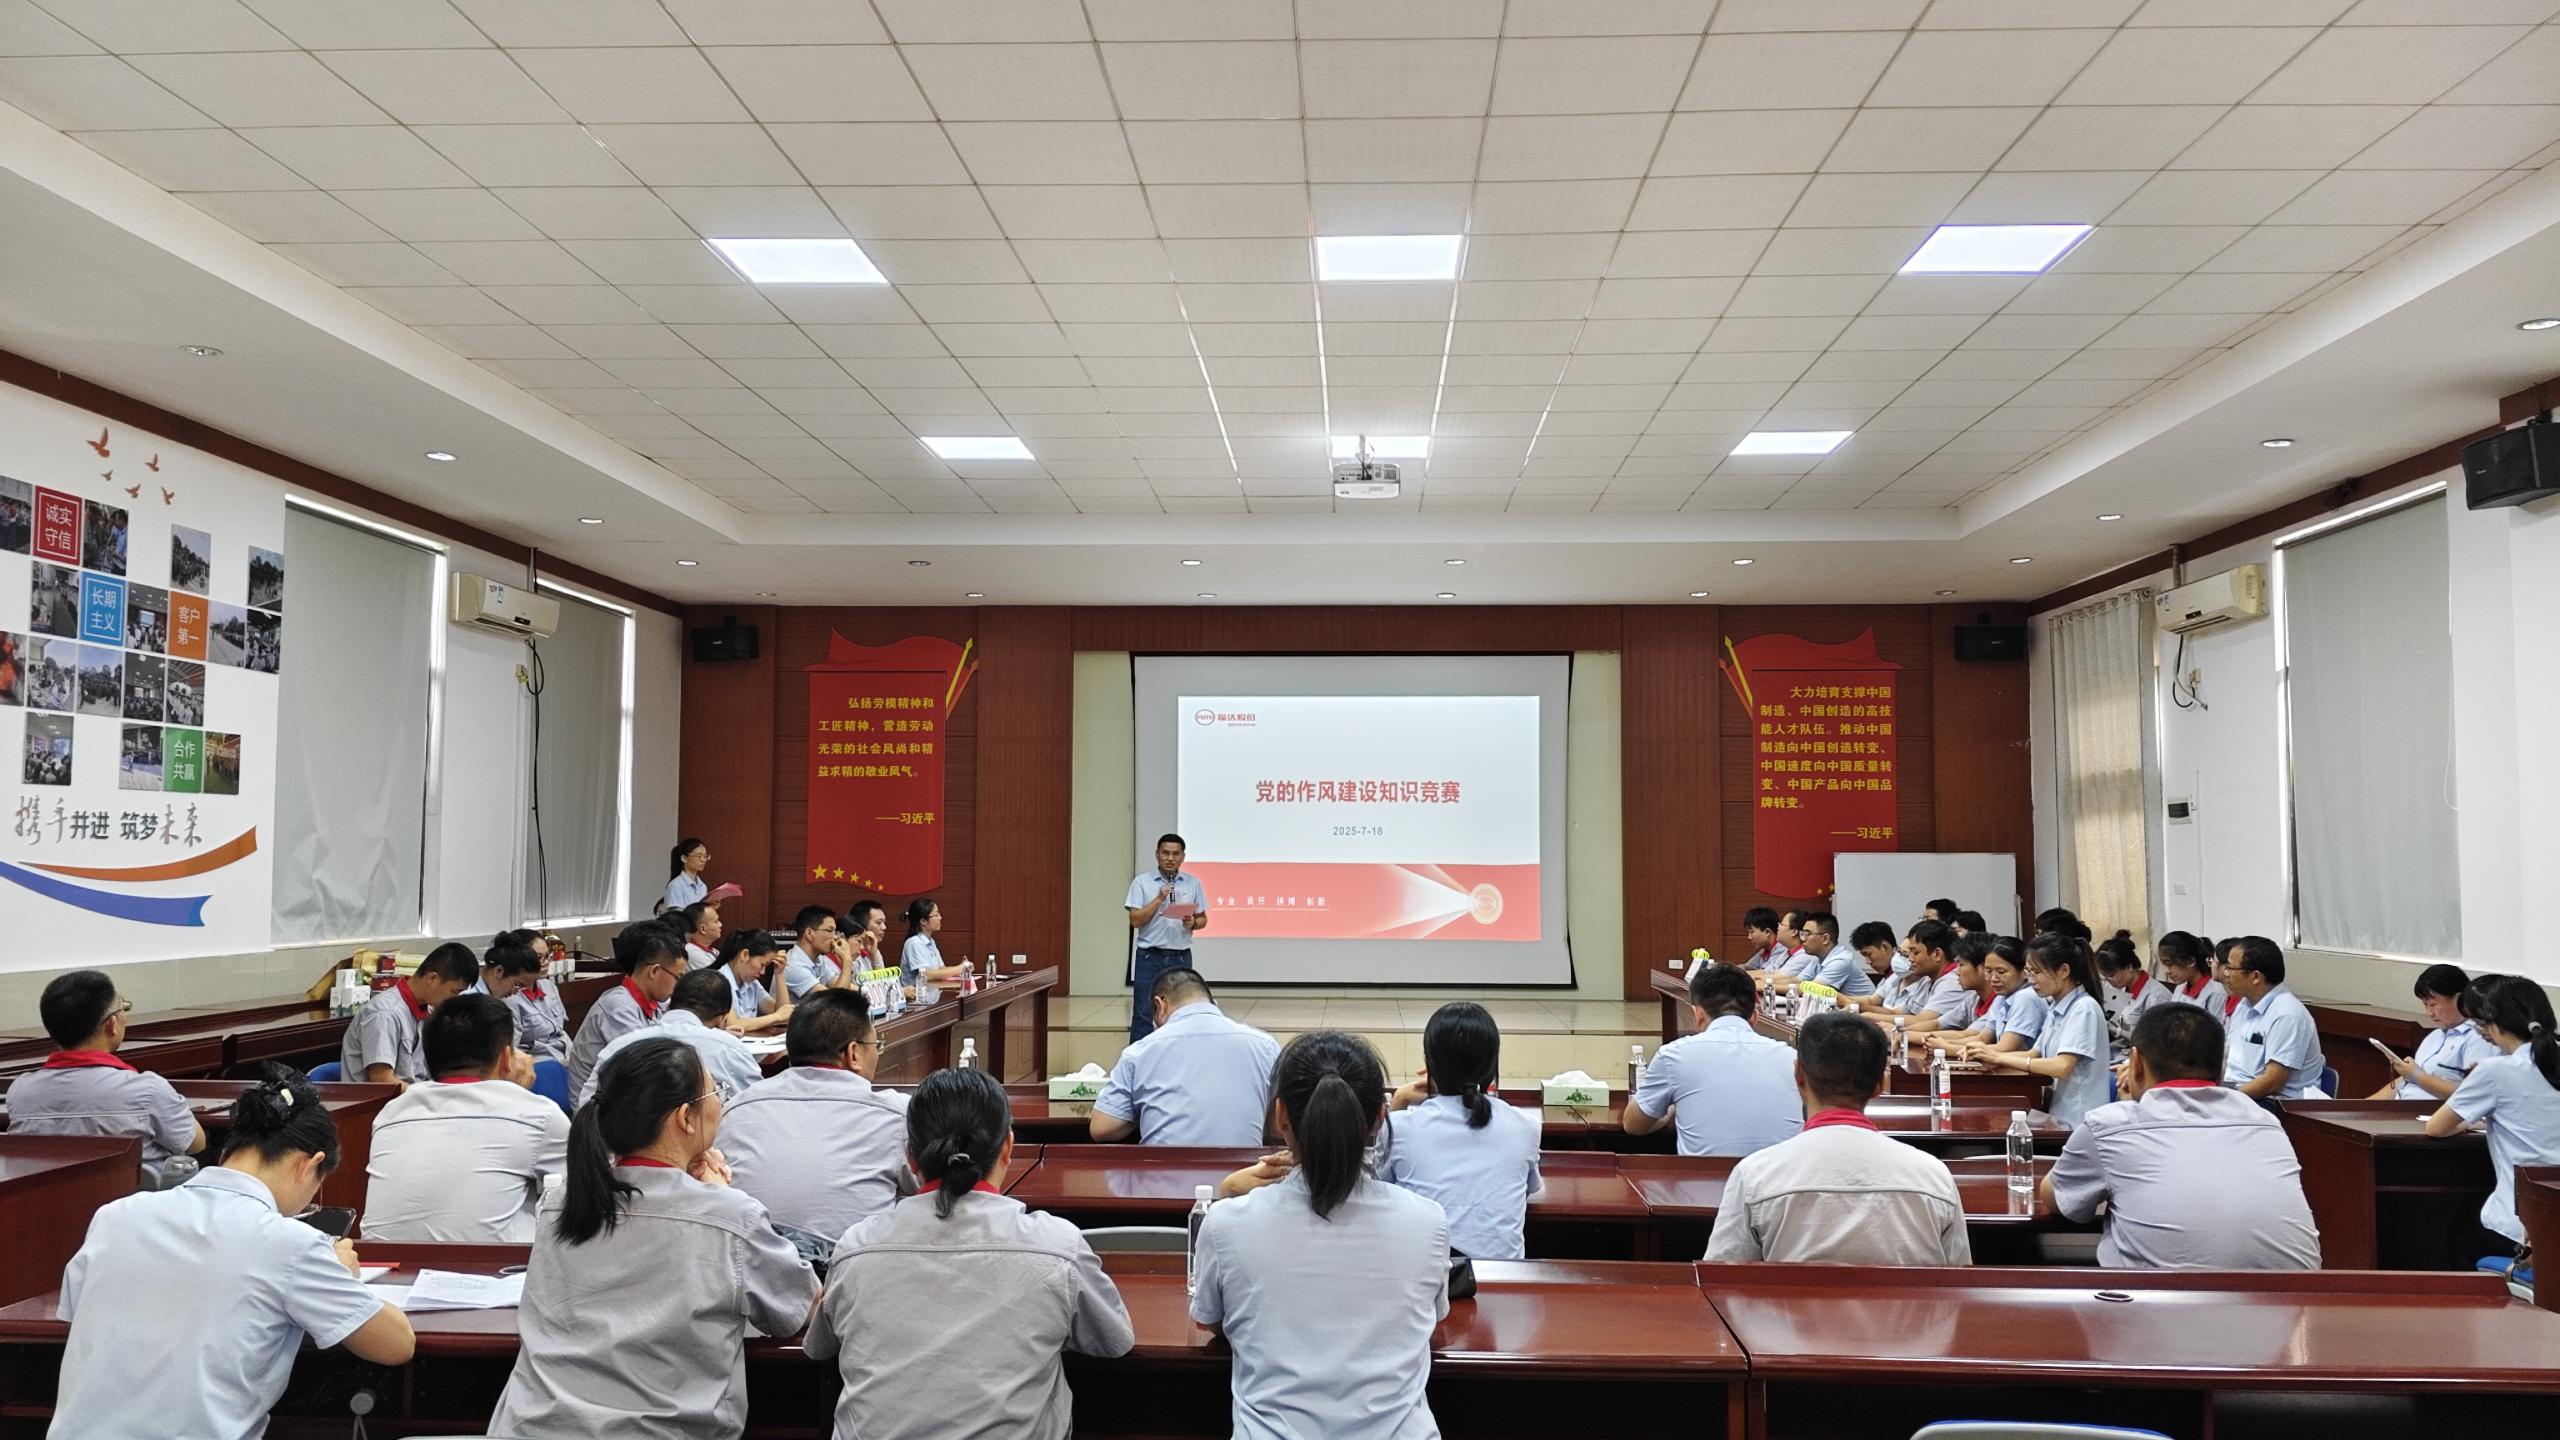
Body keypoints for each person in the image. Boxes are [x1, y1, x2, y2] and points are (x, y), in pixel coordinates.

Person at [51, 1066, 415, 1440]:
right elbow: (397, 1344)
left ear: (229, 1151)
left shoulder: (115, 1216)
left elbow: (79, 1318)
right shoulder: (291, 1243)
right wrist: (338, 1273)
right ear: (308, 1165)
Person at [490, 1038, 819, 1439]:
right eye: (715, 1092)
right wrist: (721, 1195)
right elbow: (801, 1305)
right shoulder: (729, 1216)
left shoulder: (560, 1204)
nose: (720, 1103)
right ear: (685, 1118)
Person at [806, 1068, 1133, 1440]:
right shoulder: (1057, 1247)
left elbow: (819, 1348)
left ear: (911, 1157)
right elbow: (1115, 1340)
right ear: (1008, 1147)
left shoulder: (855, 1248)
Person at [1193, 1031, 1450, 1440]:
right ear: (1379, 1119)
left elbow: (1211, 1320)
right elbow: (1432, 1318)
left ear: (1281, 1116)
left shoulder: (1226, 1223)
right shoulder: (1427, 1221)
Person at [2045, 1004, 2321, 1270]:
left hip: (2162, 1300)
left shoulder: (2109, 1125)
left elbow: (2056, 1198)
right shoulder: (2266, 1124)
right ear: (2222, 1067)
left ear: (2135, 1062)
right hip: (2298, 1298)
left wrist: (2126, 1107)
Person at [1703, 1012, 1970, 1266]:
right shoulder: (1934, 1177)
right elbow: (1959, 1279)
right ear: (1880, 1084)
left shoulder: (1754, 1175)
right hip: (1906, 1303)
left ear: (1798, 1075)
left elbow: (1721, 1276)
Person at [364, 994, 569, 1243]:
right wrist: (518, 1094)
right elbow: (579, 1204)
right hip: (493, 1266)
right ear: (507, 1058)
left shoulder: (390, 1114)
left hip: (384, 1264)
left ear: (427, 1061)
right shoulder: (539, 1115)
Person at [721, 991, 915, 1244]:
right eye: (875, 1045)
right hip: (846, 1264)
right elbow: (930, 1194)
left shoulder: (737, 1108)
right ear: (853, 1053)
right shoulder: (896, 1115)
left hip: (750, 1263)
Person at [1378, 1002, 1544, 1261]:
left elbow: (1376, 1188)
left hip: (1429, 1275)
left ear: (1429, 1063)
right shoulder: (1526, 1126)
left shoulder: (1401, 1127)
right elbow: (1529, 1188)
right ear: (1493, 1064)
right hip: (1504, 1277)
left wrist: (1399, 1100)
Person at [2425, 974, 2560, 1265]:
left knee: (2449, 1238)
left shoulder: (2494, 1070)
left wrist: (2473, 1118)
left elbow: (2436, 1127)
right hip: (2550, 1219)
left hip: (2521, 1227)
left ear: (2494, 1024)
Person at [9, 970, 205, 1164]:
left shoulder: (21, 1092)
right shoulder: (147, 1090)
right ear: (111, 1024)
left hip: (52, 1186)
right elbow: (195, 1143)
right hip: (133, 1186)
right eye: (123, 1008)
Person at [1625, 962, 1801, 1157]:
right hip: (1781, 1176)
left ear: (1698, 1015)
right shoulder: (1792, 1058)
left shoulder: (1674, 1055)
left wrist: (1672, 1110)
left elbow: (1633, 1124)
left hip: (1706, 1176)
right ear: (1754, 1017)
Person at [1091, 967, 1279, 1146]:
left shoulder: (1140, 1051)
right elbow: (1280, 1125)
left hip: (1166, 1168)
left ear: (1160, 1006)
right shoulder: (1265, 1046)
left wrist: (1143, 1108)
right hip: (1246, 1169)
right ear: (1214, 1004)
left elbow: (1101, 1128)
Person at [1975, 932, 2112, 1128]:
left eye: (2036, 972)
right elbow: (2033, 1054)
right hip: (2059, 1115)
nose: (2031, 980)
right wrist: (1989, 1058)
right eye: (2028, 972)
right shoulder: (2055, 1007)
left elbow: (2062, 1066)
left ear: (2064, 971)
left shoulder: (2084, 1008)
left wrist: (1999, 1057)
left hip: (2079, 1119)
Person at [579, 968, 766, 1109]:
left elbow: (586, 1107)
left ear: (670, 1005)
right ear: (722, 1018)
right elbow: (757, 1107)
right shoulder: (730, 1048)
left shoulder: (620, 1045)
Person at [567, 921, 688, 1096]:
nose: (679, 985)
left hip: (625, 1093)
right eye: (678, 977)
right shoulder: (618, 1007)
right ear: (654, 972)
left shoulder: (656, 1003)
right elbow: (647, 1063)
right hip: (596, 1103)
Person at [340, 942, 478, 1087]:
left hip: (412, 1095)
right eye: (454, 991)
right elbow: (382, 1080)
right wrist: (427, 1095)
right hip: (383, 1100)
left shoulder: (427, 1011)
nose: (455, 999)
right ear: (432, 979)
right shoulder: (385, 1014)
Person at [1126, 832, 1211, 1041]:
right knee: (1144, 1012)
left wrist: (1193, 923)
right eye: (1165, 853)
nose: (1170, 858)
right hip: (1149, 956)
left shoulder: (1192, 883)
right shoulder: (1142, 882)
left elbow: (1202, 919)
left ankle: (1180, 1053)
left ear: (1183, 857)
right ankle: (1140, 1056)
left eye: (1175, 854)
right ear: (1157, 855)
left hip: (1180, 956)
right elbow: (1135, 920)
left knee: (1182, 1010)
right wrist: (1159, 899)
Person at [2370, 963, 2493, 1102]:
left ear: (2459, 999)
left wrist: (2417, 1076)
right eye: (2425, 1004)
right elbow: (2406, 1081)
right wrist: (2364, 1105)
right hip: (2401, 1106)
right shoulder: (2434, 1037)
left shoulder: (2479, 1038)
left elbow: (2472, 1096)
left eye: (2433, 1005)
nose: (2429, 1012)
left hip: (2430, 1112)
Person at [2221, 937, 2324, 1100]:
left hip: (2274, 1103)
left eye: (2230, 968)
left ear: (2256, 976)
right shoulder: (2244, 1005)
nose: (2225, 973)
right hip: (2241, 1094)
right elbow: (2228, 1060)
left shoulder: (2288, 1015)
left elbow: (2273, 1082)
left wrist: (2226, 1100)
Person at [1928, 935, 2041, 1056]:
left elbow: (2005, 1048)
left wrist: (1948, 1048)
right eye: (1988, 971)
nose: (1993, 978)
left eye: (2001, 972)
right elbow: (1983, 1038)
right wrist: (1942, 1043)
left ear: (2024, 972)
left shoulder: (2026, 997)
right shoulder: (2000, 998)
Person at [494, 929, 571, 1068]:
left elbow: (561, 1030)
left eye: (548, 956)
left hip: (566, 1055)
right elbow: (511, 1050)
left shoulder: (549, 987)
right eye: (538, 957)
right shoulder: (509, 997)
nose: (545, 962)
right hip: (536, 1064)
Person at [1887, 920, 1977, 1035]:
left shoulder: (1953, 983)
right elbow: (1897, 1013)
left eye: (1915, 953)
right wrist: (1867, 1014)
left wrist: (1895, 1032)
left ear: (1937, 954)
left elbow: (1924, 1021)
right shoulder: (1927, 979)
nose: (1910, 958)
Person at [2097, 931, 2164, 1062]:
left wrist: (2117, 1030)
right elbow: (2114, 1019)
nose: (2108, 980)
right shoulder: (2122, 988)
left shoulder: (2155, 996)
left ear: (2129, 967)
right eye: (2105, 976)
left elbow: (2155, 1042)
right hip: (2119, 1052)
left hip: (2140, 1058)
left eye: (2112, 975)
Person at [1767, 913, 1871, 996]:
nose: (1802, 939)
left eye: (1807, 934)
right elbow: (1797, 981)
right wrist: (1766, 983)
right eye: (1802, 934)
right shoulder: (1817, 958)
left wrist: (1766, 987)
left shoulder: (1841, 961)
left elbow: (1811, 989)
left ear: (1825, 938)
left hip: (1865, 1013)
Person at [714, 928, 791, 1036]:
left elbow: (783, 1013)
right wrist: (777, 1016)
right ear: (744, 955)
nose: (763, 972)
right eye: (762, 965)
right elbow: (732, 1024)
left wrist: (779, 974)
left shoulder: (752, 984)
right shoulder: (717, 982)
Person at [781, 904, 853, 998]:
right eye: (829, 931)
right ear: (809, 933)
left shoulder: (819, 960)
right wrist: (847, 961)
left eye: (835, 932)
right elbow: (835, 1001)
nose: (835, 937)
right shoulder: (793, 966)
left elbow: (838, 985)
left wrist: (864, 990)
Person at [901, 896, 970, 990]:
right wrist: (958, 969)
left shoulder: (930, 941)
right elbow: (926, 974)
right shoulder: (913, 943)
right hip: (916, 996)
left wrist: (960, 969)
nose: (940, 918)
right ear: (923, 921)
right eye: (936, 915)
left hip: (931, 994)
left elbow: (941, 969)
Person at [1842, 921, 1908, 1011]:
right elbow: (1871, 1001)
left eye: (1868, 954)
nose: (1867, 962)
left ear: (1884, 947)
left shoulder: (1907, 976)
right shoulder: (1885, 981)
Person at [2156, 931, 2225, 1015]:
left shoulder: (2216, 993)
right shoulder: (2180, 988)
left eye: (2170, 964)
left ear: (2190, 962)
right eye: (2164, 965)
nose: (2167, 971)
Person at [846, 898, 891, 975]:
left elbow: (884, 980)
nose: (884, 927)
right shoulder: (852, 952)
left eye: (884, 922)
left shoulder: (874, 949)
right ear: (862, 925)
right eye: (879, 922)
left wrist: (874, 956)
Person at [665, 836, 711, 911]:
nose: (703, 860)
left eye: (705, 856)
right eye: (699, 856)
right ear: (684, 858)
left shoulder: (703, 886)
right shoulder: (676, 885)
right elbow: (676, 916)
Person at [1737, 906, 1784, 970]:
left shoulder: (1782, 950)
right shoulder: (1764, 950)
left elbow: (1765, 973)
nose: (1749, 937)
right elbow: (1746, 966)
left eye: (1752, 932)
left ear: (1767, 932)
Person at [682, 901, 724, 970]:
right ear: (703, 929)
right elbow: (719, 975)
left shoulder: (713, 951)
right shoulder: (693, 952)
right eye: (716, 921)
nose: (720, 924)